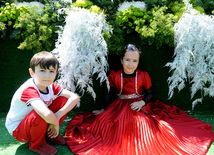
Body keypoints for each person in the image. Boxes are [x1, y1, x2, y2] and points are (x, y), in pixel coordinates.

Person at [65, 44, 214, 155]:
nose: (131, 64)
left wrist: (142, 102)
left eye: (134, 61)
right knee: (104, 122)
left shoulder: (143, 75)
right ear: (122, 60)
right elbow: (109, 94)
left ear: (138, 61)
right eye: (127, 60)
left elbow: (150, 94)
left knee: (143, 123)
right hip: (119, 105)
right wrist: (104, 109)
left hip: (139, 104)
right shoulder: (114, 75)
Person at [5, 51, 80, 155]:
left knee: (62, 100)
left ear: (56, 73)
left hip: (37, 122)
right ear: (32, 73)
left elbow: (75, 98)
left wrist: (57, 117)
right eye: (42, 70)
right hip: (19, 130)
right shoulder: (29, 89)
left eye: (51, 71)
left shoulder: (50, 86)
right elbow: (46, 114)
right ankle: (37, 144)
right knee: (40, 113)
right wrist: (55, 124)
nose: (47, 76)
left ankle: (49, 135)